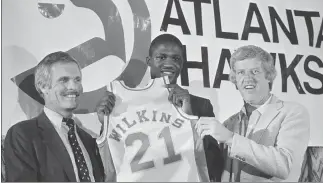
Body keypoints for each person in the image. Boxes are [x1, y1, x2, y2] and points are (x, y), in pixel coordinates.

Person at [96, 33, 224, 182]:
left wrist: (189, 117)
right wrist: (105, 121)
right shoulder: (122, 105)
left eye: (176, 58)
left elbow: (214, 163)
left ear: (182, 63)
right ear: (149, 61)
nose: (169, 63)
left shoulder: (200, 105)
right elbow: (111, 160)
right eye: (161, 57)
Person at [195, 45, 310, 181]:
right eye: (241, 72)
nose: (247, 78)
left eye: (255, 71)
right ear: (235, 80)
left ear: (268, 76)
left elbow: (285, 165)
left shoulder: (292, 112)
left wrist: (231, 139)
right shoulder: (229, 124)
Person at [4, 52, 105, 182]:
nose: (73, 87)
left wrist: (107, 125)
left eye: (77, 80)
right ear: (43, 86)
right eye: (64, 80)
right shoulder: (23, 135)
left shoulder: (87, 139)